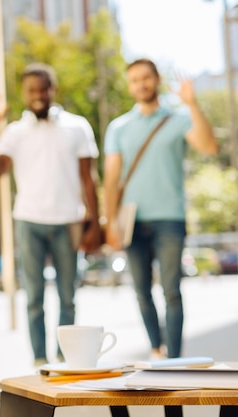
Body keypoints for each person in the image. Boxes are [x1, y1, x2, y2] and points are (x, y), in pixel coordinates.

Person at [0, 63, 101, 366]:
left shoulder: (77, 126)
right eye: (32, 90)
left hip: (69, 221)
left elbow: (89, 179)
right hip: (29, 221)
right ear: (24, 93)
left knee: (68, 296)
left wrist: (94, 222)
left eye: (43, 89)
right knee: (33, 297)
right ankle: (39, 359)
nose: (38, 95)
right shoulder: (14, 132)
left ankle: (67, 356)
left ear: (53, 90)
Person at [103, 58, 218, 359]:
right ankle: (157, 349)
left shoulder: (179, 120)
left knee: (171, 291)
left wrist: (192, 104)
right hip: (132, 220)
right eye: (134, 80)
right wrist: (110, 223)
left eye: (145, 78)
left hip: (170, 218)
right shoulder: (119, 127)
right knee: (141, 292)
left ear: (156, 80)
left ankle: (175, 357)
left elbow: (209, 146)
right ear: (130, 86)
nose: (140, 84)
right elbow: (112, 179)